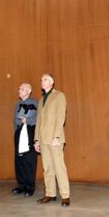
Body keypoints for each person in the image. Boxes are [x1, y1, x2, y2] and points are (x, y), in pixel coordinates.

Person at [34, 74, 71, 207]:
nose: (42, 82)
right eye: (41, 80)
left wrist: (57, 137)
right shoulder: (41, 100)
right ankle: (50, 193)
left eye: (44, 80)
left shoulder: (59, 96)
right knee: (47, 168)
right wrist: (36, 140)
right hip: (43, 139)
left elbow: (61, 116)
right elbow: (39, 121)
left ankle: (65, 195)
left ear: (52, 82)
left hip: (54, 138)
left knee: (59, 167)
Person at [12, 83, 38, 197]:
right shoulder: (18, 103)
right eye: (19, 89)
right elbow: (16, 121)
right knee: (19, 159)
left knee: (29, 160)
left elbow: (36, 119)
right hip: (19, 131)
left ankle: (30, 187)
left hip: (29, 131)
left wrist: (27, 121)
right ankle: (21, 185)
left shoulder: (34, 103)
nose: (19, 90)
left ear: (29, 91)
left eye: (22, 89)